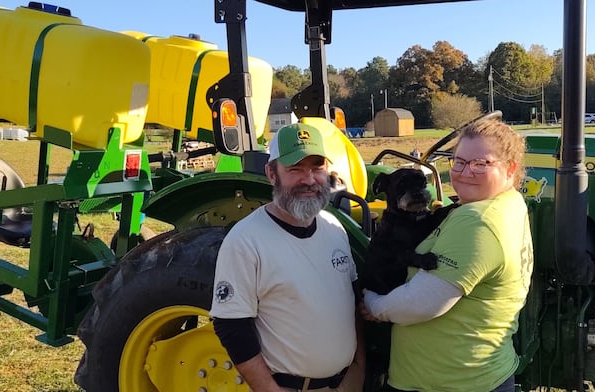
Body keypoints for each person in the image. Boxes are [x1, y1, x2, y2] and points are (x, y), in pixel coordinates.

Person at [362, 118, 533, 392]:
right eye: (459, 162)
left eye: (480, 164)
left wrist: (371, 304)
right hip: (475, 373)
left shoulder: (477, 220)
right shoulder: (509, 204)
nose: (465, 172)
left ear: (510, 168)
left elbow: (420, 304)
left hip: (449, 381)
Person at [210, 122, 364, 392]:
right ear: (272, 173)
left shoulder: (334, 228)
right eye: (295, 169)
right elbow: (232, 327)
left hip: (344, 384)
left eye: (317, 167)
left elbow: (352, 306)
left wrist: (358, 370)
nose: (309, 180)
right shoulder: (246, 240)